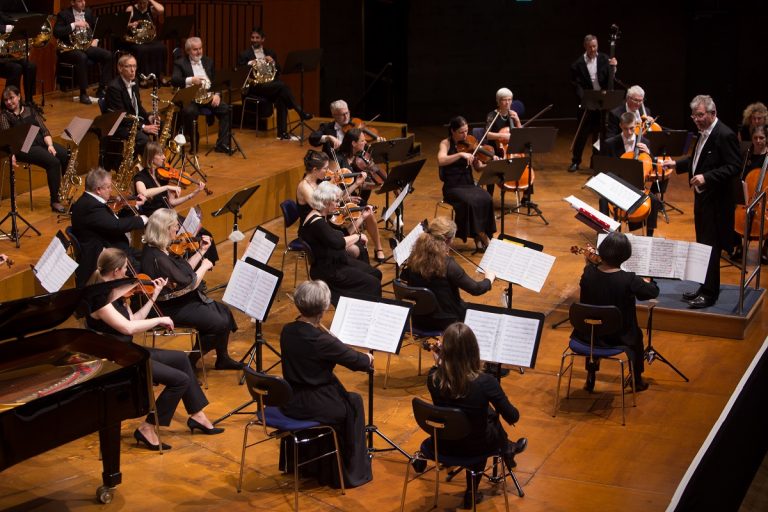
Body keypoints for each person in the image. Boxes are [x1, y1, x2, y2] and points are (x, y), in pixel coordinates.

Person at [84, 248, 223, 451]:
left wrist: (153, 296)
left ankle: (197, 415)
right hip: (118, 359)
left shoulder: (116, 292)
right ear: (115, 271)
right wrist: (160, 319)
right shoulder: (100, 301)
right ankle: (147, 428)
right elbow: (128, 328)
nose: (127, 274)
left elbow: (134, 319)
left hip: (128, 349)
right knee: (180, 380)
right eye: (124, 270)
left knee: (181, 359)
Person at [279, 279, 373, 488]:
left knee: (346, 398)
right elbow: (358, 362)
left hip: (290, 399)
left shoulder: (287, 330)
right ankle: (351, 472)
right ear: (323, 308)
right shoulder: (322, 341)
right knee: (353, 402)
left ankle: (309, 465)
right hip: (315, 402)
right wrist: (368, 357)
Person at [424, 323, 527, 509]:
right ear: (473, 350)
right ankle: (473, 489)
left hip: (442, 445)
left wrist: (438, 362)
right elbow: (513, 416)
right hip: (475, 448)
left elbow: (450, 384)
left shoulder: (433, 379)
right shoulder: (485, 382)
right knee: (488, 419)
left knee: (481, 413)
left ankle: (508, 448)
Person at [663, 95, 741, 308]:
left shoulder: (724, 135)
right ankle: (704, 287)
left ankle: (710, 294)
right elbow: (698, 159)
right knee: (703, 247)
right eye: (694, 115)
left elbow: (734, 166)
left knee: (711, 248)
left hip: (716, 203)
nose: (696, 119)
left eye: (700, 115)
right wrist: (676, 164)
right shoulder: (704, 133)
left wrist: (706, 177)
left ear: (712, 113)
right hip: (703, 200)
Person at [141, 208, 242, 370]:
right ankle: (190, 362)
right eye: (174, 226)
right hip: (168, 307)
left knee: (224, 311)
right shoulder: (157, 258)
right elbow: (189, 284)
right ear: (165, 229)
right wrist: (204, 266)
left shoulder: (160, 248)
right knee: (219, 322)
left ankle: (222, 358)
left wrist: (201, 251)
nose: (177, 229)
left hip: (180, 299)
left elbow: (183, 272)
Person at [574, 232, 659, 392]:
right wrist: (649, 278)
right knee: (637, 337)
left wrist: (590, 262)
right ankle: (637, 380)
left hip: (588, 336)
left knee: (595, 324)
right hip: (620, 337)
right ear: (625, 256)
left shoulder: (588, 273)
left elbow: (591, 279)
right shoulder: (629, 280)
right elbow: (652, 292)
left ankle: (590, 377)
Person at [400, 217, 495, 331]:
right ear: (447, 240)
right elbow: (476, 289)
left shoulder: (413, 259)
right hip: (448, 322)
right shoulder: (449, 265)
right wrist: (488, 280)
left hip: (418, 320)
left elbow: (403, 277)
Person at [134, 141, 219, 264]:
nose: (164, 157)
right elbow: (143, 193)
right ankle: (189, 268)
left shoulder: (160, 176)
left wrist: (192, 194)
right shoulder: (140, 177)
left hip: (169, 216)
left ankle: (202, 266)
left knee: (203, 233)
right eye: (161, 154)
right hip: (157, 220)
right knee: (189, 238)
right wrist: (166, 188)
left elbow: (171, 202)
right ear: (152, 157)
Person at [299, 181, 382, 304]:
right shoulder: (317, 223)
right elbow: (338, 243)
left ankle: (359, 305)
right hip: (330, 270)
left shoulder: (321, 215)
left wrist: (362, 217)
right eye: (336, 201)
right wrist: (358, 236)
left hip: (336, 261)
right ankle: (363, 311)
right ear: (327, 201)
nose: (339, 204)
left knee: (375, 273)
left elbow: (343, 235)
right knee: (373, 283)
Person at [70, 168, 148, 287]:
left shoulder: (89, 201)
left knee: (148, 255)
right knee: (149, 264)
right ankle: (139, 297)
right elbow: (116, 226)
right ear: (98, 190)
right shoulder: (91, 207)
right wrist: (141, 220)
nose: (111, 191)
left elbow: (112, 220)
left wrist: (134, 205)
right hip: (109, 257)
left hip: (114, 248)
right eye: (108, 187)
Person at [0, 86, 69, 213]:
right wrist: (11, 155)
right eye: (6, 100)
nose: (9, 102)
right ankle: (55, 201)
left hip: (40, 141)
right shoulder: (4, 116)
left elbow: (44, 130)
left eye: (11, 98)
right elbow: (7, 140)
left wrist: (50, 145)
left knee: (65, 154)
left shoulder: (29, 110)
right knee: (53, 162)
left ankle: (65, 191)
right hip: (23, 147)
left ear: (19, 96)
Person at [237, 27, 312, 140]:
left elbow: (278, 71)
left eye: (257, 38)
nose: (254, 40)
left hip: (269, 85)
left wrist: (273, 62)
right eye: (252, 37)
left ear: (263, 39)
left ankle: (281, 134)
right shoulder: (245, 54)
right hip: (254, 87)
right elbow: (239, 73)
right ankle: (299, 111)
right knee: (282, 86)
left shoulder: (270, 53)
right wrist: (249, 63)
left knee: (281, 95)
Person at [437, 116, 496, 251]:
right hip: (452, 187)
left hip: (468, 184)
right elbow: (441, 160)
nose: (465, 135)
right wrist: (460, 155)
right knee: (470, 202)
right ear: (452, 131)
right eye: (461, 132)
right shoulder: (445, 143)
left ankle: (481, 235)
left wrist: (491, 165)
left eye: (466, 131)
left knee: (486, 198)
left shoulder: (470, 144)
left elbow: (478, 168)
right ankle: (482, 236)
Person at [600, 111, 660, 236]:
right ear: (621, 126)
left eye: (632, 128)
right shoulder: (610, 143)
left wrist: (648, 152)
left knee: (654, 200)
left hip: (638, 187)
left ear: (636, 126)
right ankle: (604, 234)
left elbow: (653, 165)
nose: (629, 132)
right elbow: (605, 168)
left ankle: (650, 236)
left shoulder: (645, 142)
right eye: (626, 129)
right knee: (603, 200)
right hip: (616, 186)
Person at [171, 36, 232, 154]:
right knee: (189, 112)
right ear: (188, 51)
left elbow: (216, 82)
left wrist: (217, 95)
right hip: (191, 99)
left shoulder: (208, 61)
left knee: (226, 109)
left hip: (208, 97)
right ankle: (195, 141)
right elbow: (175, 80)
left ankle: (222, 143)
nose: (199, 51)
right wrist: (191, 80)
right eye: (195, 49)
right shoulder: (180, 63)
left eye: (200, 48)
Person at [335, 128, 387, 262]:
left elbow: (360, 183)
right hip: (339, 199)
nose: (365, 143)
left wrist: (374, 185)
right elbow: (336, 188)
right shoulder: (339, 160)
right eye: (362, 141)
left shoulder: (359, 158)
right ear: (353, 143)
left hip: (353, 195)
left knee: (369, 211)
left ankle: (378, 247)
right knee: (366, 209)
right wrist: (349, 195)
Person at [569, 34, 617, 172]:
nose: (593, 49)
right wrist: (585, 100)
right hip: (587, 101)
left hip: (602, 101)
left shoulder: (605, 59)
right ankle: (576, 161)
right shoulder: (577, 64)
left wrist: (614, 68)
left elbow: (610, 78)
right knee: (582, 134)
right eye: (590, 47)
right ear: (585, 47)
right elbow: (576, 85)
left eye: (595, 46)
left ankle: (595, 160)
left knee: (600, 134)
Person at [54, 0, 113, 105]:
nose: (83, 3)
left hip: (85, 46)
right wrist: (74, 24)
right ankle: (83, 93)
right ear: (72, 3)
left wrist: (96, 39)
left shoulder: (88, 13)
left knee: (108, 55)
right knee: (82, 57)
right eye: (80, 1)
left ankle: (102, 88)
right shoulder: (63, 14)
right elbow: (57, 32)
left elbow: (97, 28)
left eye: (84, 0)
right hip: (69, 48)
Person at [105, 54, 160, 159]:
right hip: (121, 126)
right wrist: (144, 127)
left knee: (159, 124)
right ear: (120, 68)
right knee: (144, 140)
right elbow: (122, 116)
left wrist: (149, 117)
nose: (132, 70)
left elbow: (138, 106)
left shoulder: (134, 82)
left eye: (134, 66)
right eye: (128, 66)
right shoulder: (114, 88)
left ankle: (158, 159)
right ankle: (142, 166)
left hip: (134, 121)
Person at [732, 124, 768, 264]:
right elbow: (738, 174)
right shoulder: (746, 155)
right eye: (755, 138)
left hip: (764, 199)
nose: (758, 141)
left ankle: (766, 249)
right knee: (731, 211)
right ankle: (737, 246)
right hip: (747, 196)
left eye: (762, 138)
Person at [308, 99, 384, 156]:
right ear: (334, 115)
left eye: (347, 113)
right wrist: (328, 137)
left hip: (355, 165)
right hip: (334, 165)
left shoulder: (356, 125)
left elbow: (365, 149)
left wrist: (376, 144)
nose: (346, 117)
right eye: (342, 114)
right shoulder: (327, 127)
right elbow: (312, 138)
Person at [0, 10, 38, 104]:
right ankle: (10, 102)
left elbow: (6, 19)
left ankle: (29, 100)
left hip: (5, 55)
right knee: (16, 68)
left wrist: (20, 23)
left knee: (31, 66)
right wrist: (8, 28)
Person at [123, 0, 167, 81]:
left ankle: (160, 75)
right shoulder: (131, 9)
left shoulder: (151, 9)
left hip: (148, 39)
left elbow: (161, 10)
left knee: (162, 47)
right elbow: (124, 24)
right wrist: (132, 25)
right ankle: (143, 77)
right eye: (140, 3)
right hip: (135, 39)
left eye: (144, 3)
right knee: (142, 50)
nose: (142, 5)